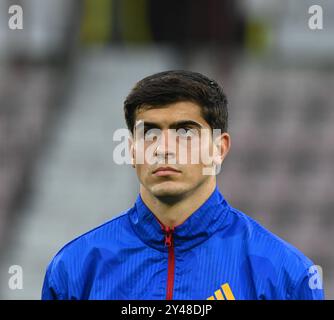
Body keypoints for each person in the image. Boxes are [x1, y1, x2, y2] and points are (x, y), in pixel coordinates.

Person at [42, 70, 324, 300]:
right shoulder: (75, 269)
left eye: (185, 132)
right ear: (131, 150)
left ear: (219, 148)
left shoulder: (285, 275)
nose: (164, 148)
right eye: (149, 132)